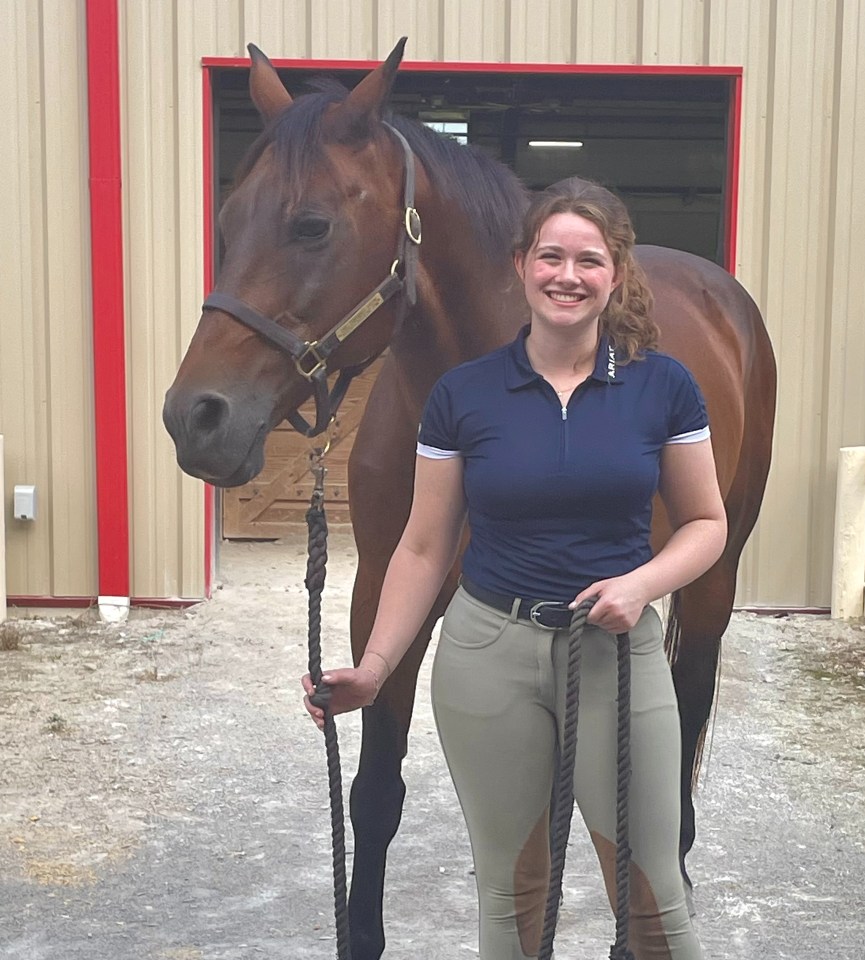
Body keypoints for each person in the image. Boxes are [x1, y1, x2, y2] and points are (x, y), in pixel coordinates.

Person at [303, 177, 724, 960]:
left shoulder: (662, 386)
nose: (569, 275)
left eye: (589, 260)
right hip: (489, 654)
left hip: (616, 659)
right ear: (522, 265)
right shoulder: (464, 395)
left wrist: (642, 584)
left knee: (653, 893)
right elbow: (424, 548)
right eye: (552, 255)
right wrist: (375, 667)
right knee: (511, 891)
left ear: (617, 275)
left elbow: (706, 523)